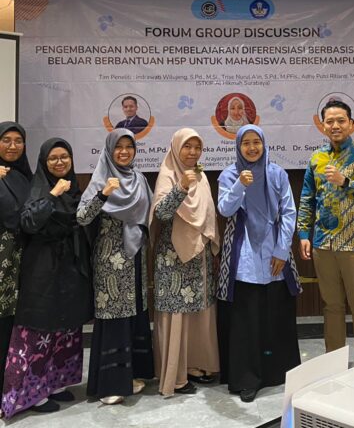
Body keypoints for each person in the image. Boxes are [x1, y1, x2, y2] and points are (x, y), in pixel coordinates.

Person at [1, 138, 93, 417]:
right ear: (43, 162)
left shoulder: (73, 187)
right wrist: (52, 194)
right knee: (39, 327)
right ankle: (31, 393)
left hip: (69, 268)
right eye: (53, 158)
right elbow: (29, 223)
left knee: (64, 326)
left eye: (65, 157)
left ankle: (55, 383)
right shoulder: (38, 187)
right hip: (42, 268)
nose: (60, 162)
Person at [217, 125, 301, 403]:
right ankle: (247, 379)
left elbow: (289, 212)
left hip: (275, 253)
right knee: (246, 321)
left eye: (257, 142)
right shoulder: (229, 175)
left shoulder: (277, 173)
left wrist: (282, 250)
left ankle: (277, 373)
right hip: (244, 256)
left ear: (264, 144)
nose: (252, 148)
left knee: (275, 316)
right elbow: (225, 209)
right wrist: (240, 184)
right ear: (238, 147)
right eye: (246, 143)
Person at [297, 100, 354, 365]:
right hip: (324, 244)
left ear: (351, 123)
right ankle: (333, 363)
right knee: (331, 306)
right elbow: (307, 198)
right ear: (322, 125)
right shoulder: (316, 158)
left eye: (341, 120)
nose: (335, 126)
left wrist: (346, 182)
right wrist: (303, 234)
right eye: (330, 121)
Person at [76, 129, 154, 405]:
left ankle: (131, 375)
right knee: (114, 320)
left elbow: (149, 215)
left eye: (128, 147)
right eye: (118, 147)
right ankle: (110, 385)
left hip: (136, 259)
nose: (124, 152)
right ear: (109, 150)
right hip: (110, 263)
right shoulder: (100, 179)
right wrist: (103, 194)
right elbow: (82, 217)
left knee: (134, 317)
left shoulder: (139, 179)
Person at [150, 128, 220, 397]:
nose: (192, 152)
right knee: (176, 312)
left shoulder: (200, 175)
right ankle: (175, 376)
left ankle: (195, 365)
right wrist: (181, 187)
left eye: (197, 147)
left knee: (199, 311)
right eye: (187, 147)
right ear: (176, 148)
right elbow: (162, 213)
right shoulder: (168, 174)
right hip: (173, 257)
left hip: (199, 255)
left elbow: (207, 213)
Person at [0, 122, 32, 402]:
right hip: (2, 262)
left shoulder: (23, 176)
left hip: (22, 260)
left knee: (15, 325)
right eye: (6, 140)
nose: (13, 146)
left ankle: (15, 389)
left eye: (18, 141)